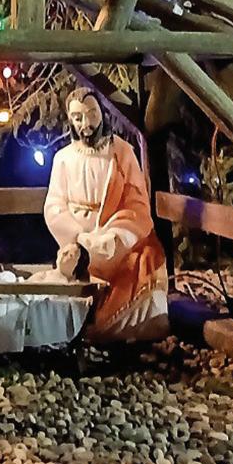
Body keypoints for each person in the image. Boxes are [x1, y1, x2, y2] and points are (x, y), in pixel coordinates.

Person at [44, 90, 169, 342]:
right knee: (69, 272)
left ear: (102, 114)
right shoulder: (63, 159)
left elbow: (136, 202)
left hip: (115, 241)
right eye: (78, 117)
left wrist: (116, 235)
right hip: (80, 244)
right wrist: (79, 236)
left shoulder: (122, 153)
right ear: (70, 120)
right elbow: (54, 206)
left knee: (143, 261)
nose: (86, 124)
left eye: (92, 114)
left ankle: (128, 327)